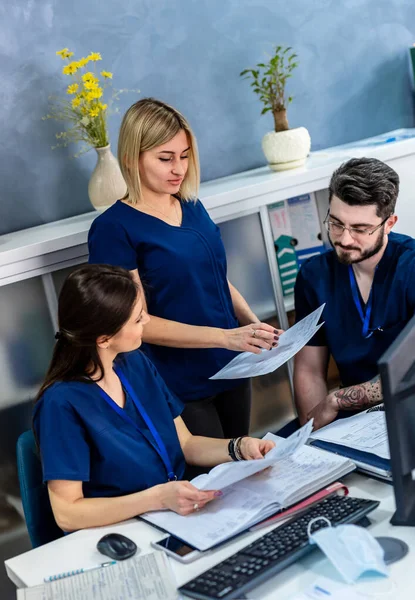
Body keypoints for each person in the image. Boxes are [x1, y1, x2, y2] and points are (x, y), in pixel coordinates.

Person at [88, 98, 282, 440]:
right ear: (133, 158)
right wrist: (225, 337)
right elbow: (136, 322)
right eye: (165, 159)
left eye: (185, 156)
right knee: (211, 481)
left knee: (244, 467)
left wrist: (252, 323)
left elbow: (216, 279)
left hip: (232, 365)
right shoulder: (113, 229)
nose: (179, 169)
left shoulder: (192, 206)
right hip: (176, 383)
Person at [32, 265, 275, 532]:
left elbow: (186, 443)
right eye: (137, 319)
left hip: (176, 513)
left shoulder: (136, 363)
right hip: (124, 529)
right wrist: (157, 498)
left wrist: (239, 448)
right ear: (104, 339)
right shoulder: (60, 405)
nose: (147, 321)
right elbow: (67, 513)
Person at [293, 157, 415, 431]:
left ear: (389, 223)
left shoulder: (409, 268)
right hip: (352, 423)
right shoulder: (314, 277)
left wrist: (338, 400)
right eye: (336, 223)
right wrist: (313, 432)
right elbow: (309, 368)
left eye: (360, 229)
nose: (345, 239)